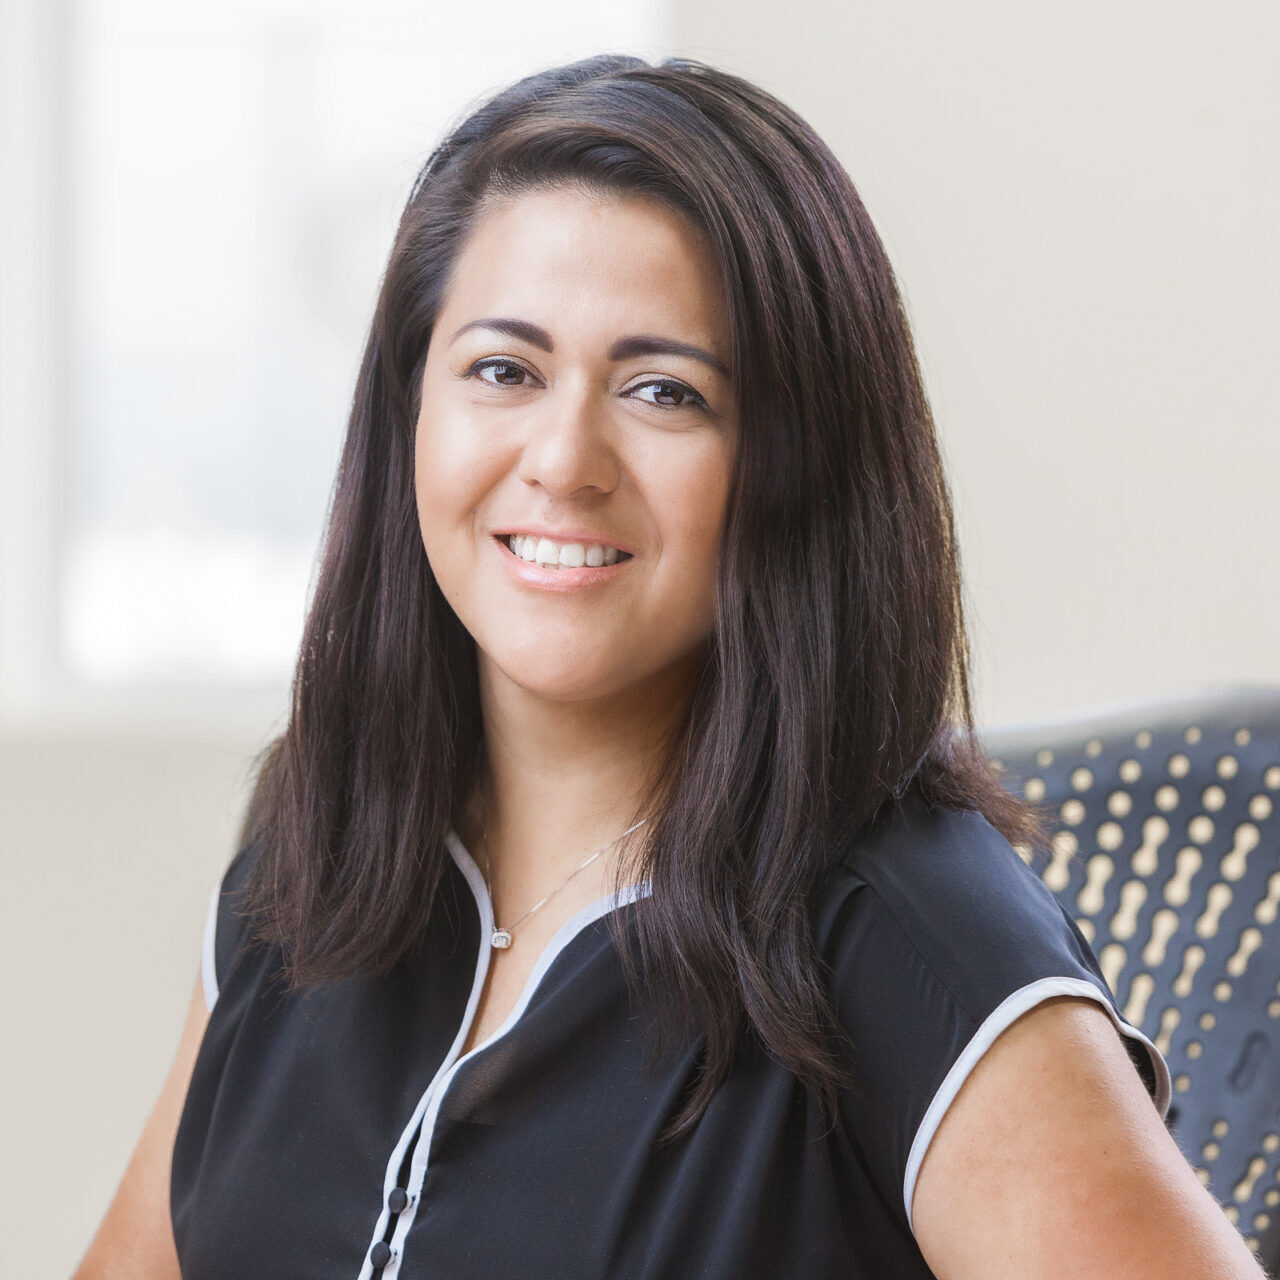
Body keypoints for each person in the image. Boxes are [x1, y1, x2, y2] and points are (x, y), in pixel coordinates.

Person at [73, 53, 1268, 1280]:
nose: (563, 457)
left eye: (662, 390)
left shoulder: (910, 941)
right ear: (407, 411)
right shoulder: (317, 851)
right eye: (502, 369)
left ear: (798, 461)